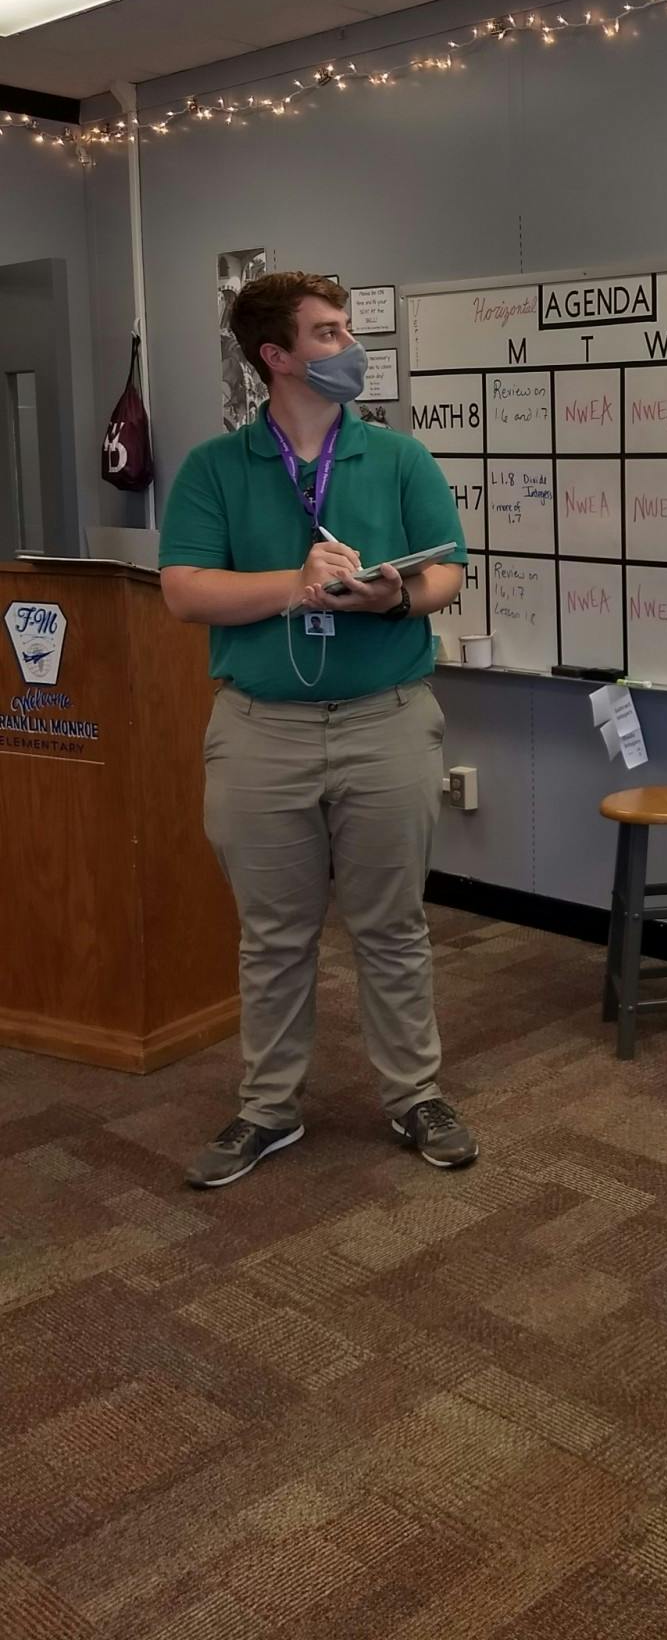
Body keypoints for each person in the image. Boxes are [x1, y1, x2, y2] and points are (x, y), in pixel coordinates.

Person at [159, 272, 479, 1187]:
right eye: (330, 333)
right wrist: (294, 585)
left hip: (387, 721)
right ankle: (267, 1110)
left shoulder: (400, 458)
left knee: (392, 927)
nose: (351, 346)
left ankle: (414, 1094)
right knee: (274, 936)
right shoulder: (217, 468)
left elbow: (448, 576)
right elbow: (185, 591)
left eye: (344, 329)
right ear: (277, 356)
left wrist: (393, 598)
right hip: (261, 733)